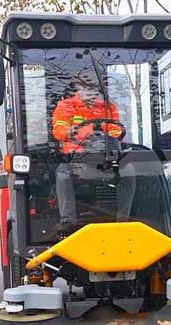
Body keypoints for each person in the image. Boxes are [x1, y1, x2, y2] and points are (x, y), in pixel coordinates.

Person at [50, 70, 135, 235]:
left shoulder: (108, 108)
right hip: (76, 159)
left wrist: (104, 139)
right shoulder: (66, 106)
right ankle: (67, 221)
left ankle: (123, 219)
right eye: (86, 87)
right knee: (62, 173)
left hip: (106, 160)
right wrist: (76, 131)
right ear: (77, 88)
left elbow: (116, 131)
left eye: (94, 88)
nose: (91, 92)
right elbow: (59, 130)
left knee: (129, 170)